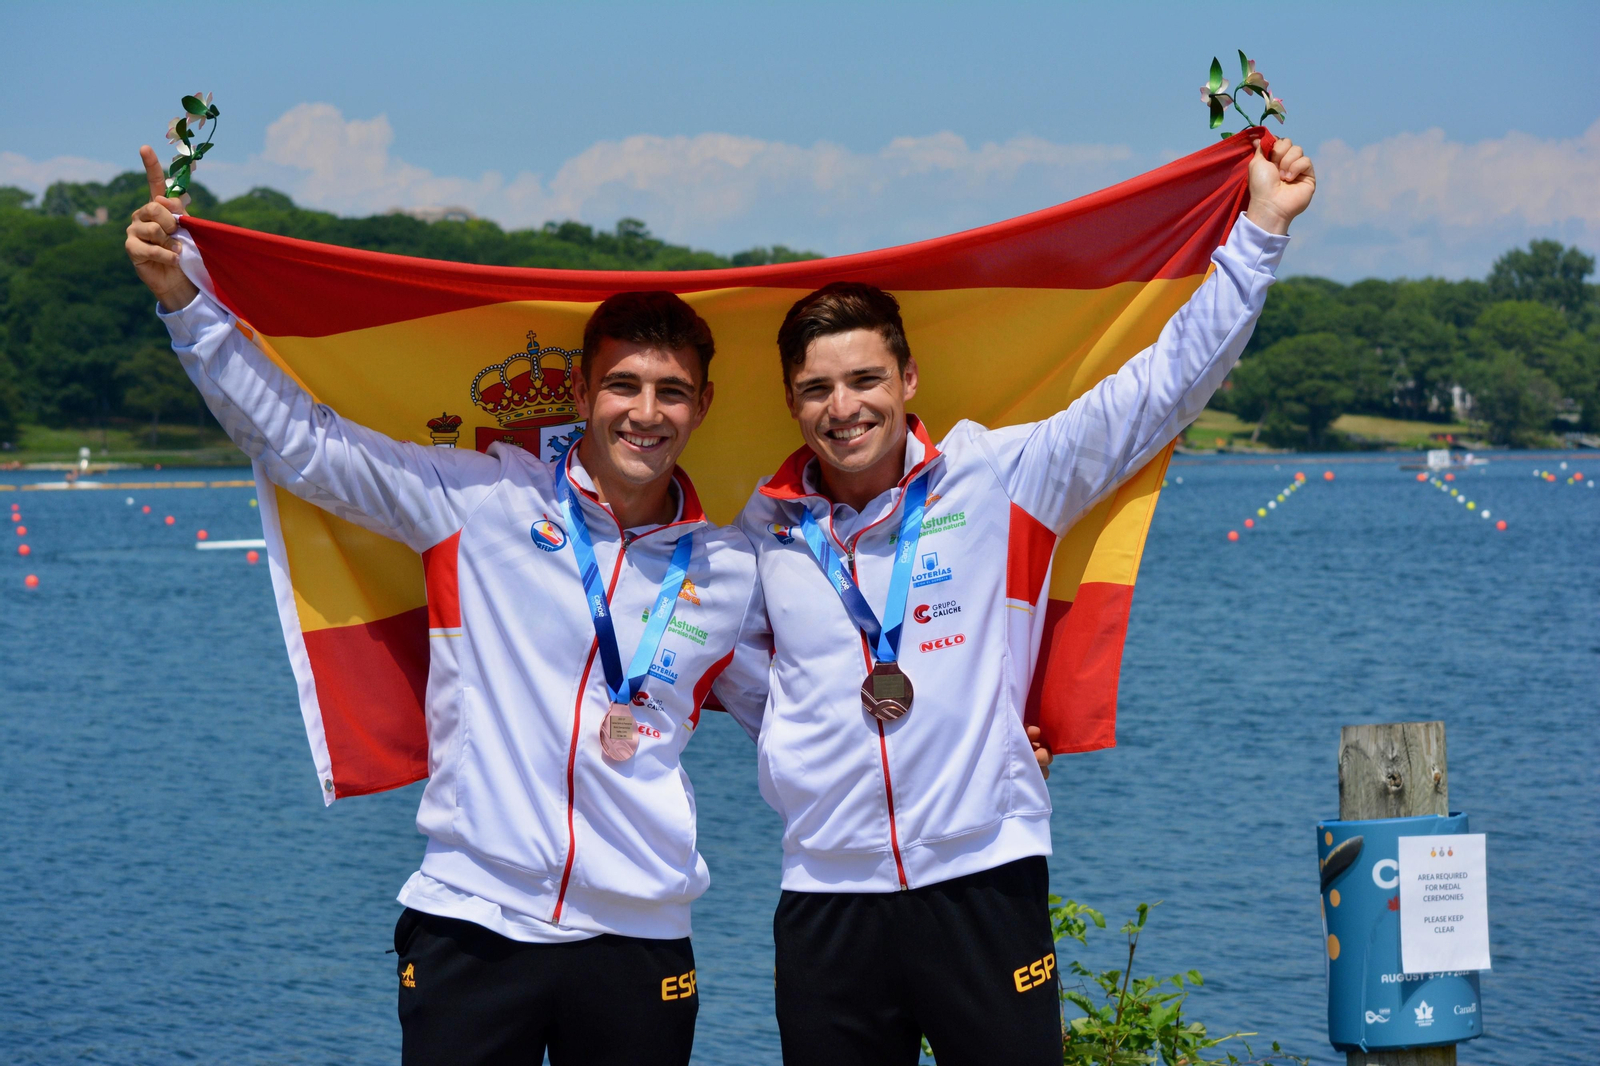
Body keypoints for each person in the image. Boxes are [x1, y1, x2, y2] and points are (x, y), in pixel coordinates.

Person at [124, 147, 771, 1066]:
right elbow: (303, 445)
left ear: (702, 406)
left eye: (670, 391)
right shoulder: (476, 502)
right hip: (471, 922)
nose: (645, 412)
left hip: (642, 935)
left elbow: (809, 711)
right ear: (582, 393)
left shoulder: (732, 568)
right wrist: (187, 305)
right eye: (623, 385)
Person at [736, 135, 1315, 1065]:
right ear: (792, 402)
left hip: (982, 879)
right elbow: (742, 680)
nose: (842, 407)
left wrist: (1260, 231)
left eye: (864, 379)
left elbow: (1161, 388)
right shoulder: (761, 533)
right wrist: (799, 748)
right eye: (815, 389)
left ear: (908, 380)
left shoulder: (1002, 476)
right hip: (824, 898)